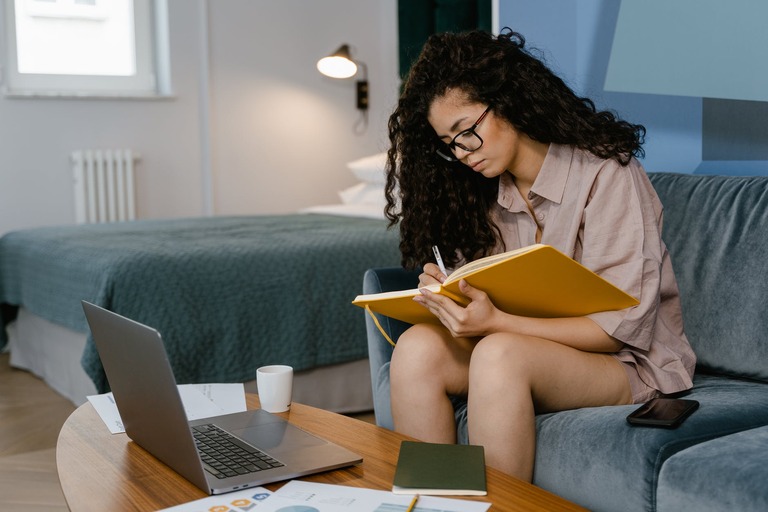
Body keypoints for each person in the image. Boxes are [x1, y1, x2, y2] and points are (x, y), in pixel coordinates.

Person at [382, 29, 696, 482]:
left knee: (498, 354)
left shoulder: (607, 173)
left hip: (628, 362)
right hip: (531, 346)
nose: (462, 150)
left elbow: (620, 328)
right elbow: (503, 301)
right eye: (449, 143)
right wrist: (453, 294)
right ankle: (438, 501)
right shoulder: (488, 195)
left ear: (508, 100)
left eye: (467, 130)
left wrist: (495, 323)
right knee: (415, 349)